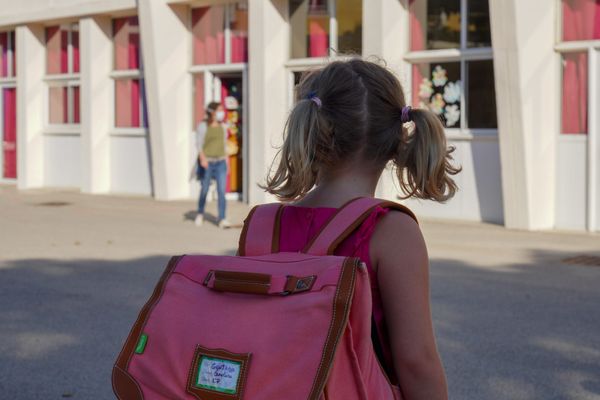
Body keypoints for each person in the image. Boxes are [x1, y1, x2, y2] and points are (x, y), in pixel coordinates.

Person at [261, 58, 459, 399]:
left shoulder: (266, 226)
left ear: (315, 130)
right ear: (397, 140)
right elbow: (416, 362)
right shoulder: (389, 230)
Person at [195, 102, 231, 228]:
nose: (222, 112)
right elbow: (199, 145)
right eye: (219, 110)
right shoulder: (203, 126)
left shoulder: (223, 126)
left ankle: (222, 218)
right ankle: (200, 212)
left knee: (221, 191)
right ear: (212, 112)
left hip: (221, 162)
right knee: (204, 189)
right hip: (208, 163)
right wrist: (203, 159)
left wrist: (227, 162)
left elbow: (224, 144)